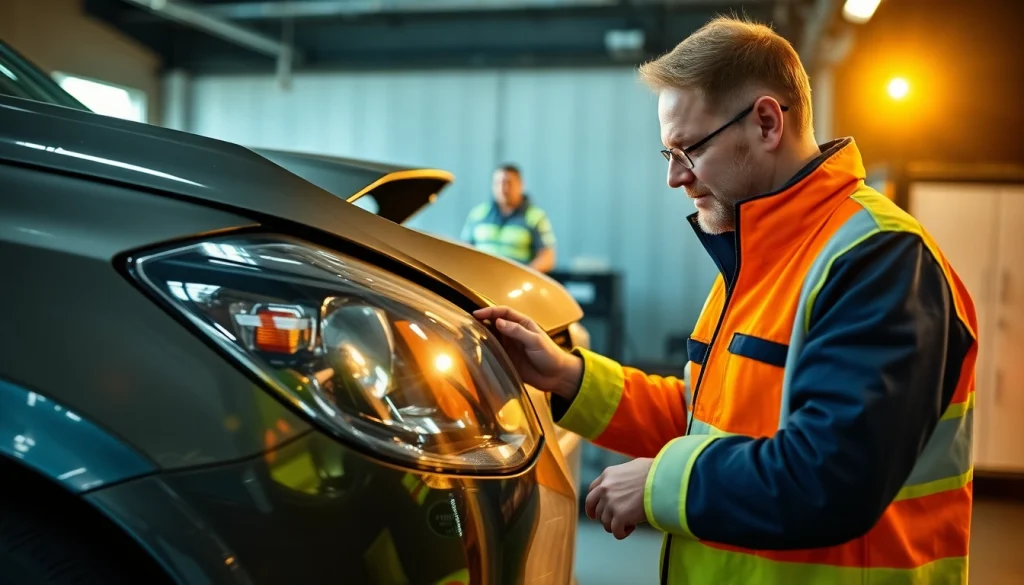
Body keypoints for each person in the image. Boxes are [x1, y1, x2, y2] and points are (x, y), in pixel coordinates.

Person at [474, 15, 977, 585]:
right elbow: (703, 420)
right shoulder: (758, 257)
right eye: (667, 154)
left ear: (766, 123)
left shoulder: (878, 261)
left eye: (687, 150)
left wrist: (660, 484)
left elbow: (832, 476)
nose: (674, 178)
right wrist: (568, 376)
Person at [460, 164, 557, 273]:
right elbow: (464, 250)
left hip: (515, 283)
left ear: (521, 185)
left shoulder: (535, 217)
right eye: (498, 183)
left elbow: (547, 257)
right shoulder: (478, 213)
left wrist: (525, 275)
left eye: (508, 183)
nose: (503, 188)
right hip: (479, 280)